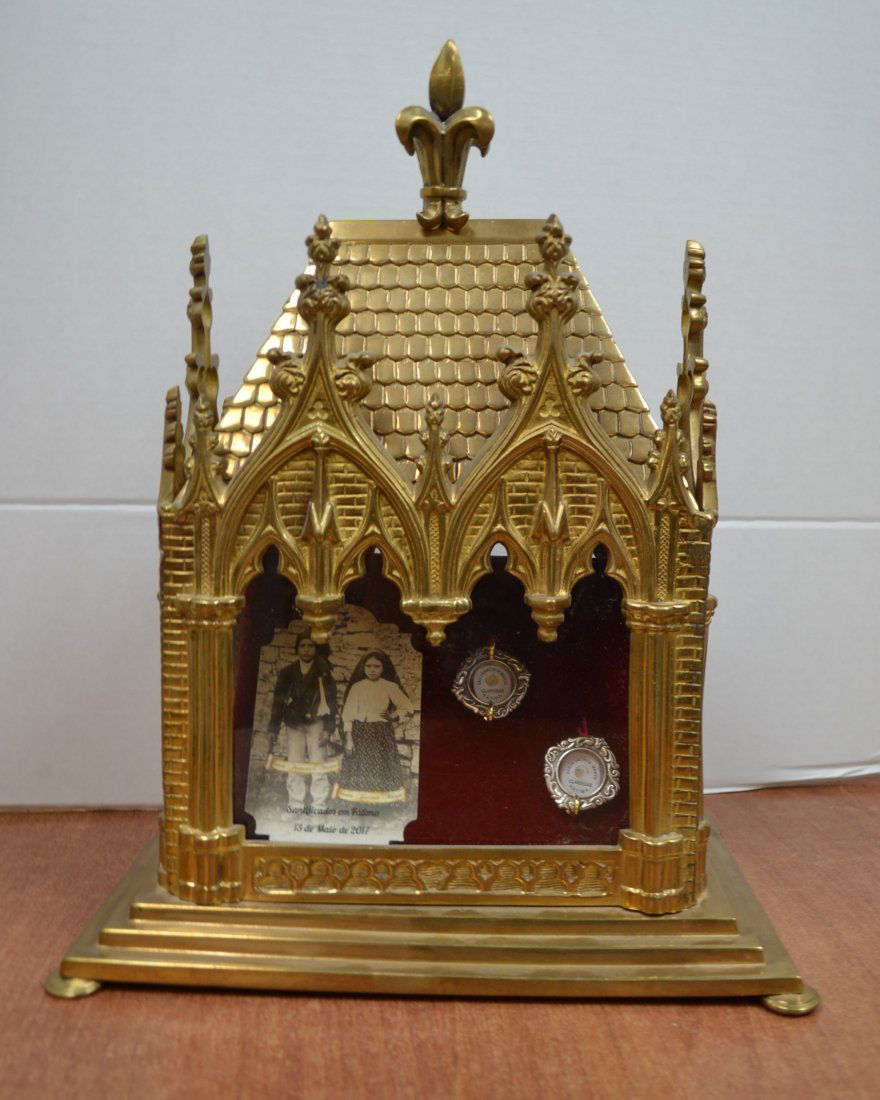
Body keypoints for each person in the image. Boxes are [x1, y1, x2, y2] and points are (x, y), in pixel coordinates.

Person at [268, 633, 338, 812]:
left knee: (318, 762)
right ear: (297, 649)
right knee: (295, 762)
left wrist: (328, 728)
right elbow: (278, 701)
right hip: (294, 724)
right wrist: (273, 728)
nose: (306, 649)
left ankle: (319, 805)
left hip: (316, 723)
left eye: (310, 646)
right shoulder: (287, 672)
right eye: (303, 646)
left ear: (316, 649)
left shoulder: (323, 672)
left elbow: (331, 702)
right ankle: (296, 804)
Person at [333, 650, 415, 804]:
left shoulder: (389, 686)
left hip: (382, 732)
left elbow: (408, 707)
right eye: (368, 666)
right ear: (363, 667)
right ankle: (360, 802)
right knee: (361, 764)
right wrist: (349, 739)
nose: (372, 670)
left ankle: (382, 802)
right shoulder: (357, 687)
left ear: (383, 668)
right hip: (360, 732)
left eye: (377, 666)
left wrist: (394, 716)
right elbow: (348, 714)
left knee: (381, 764)